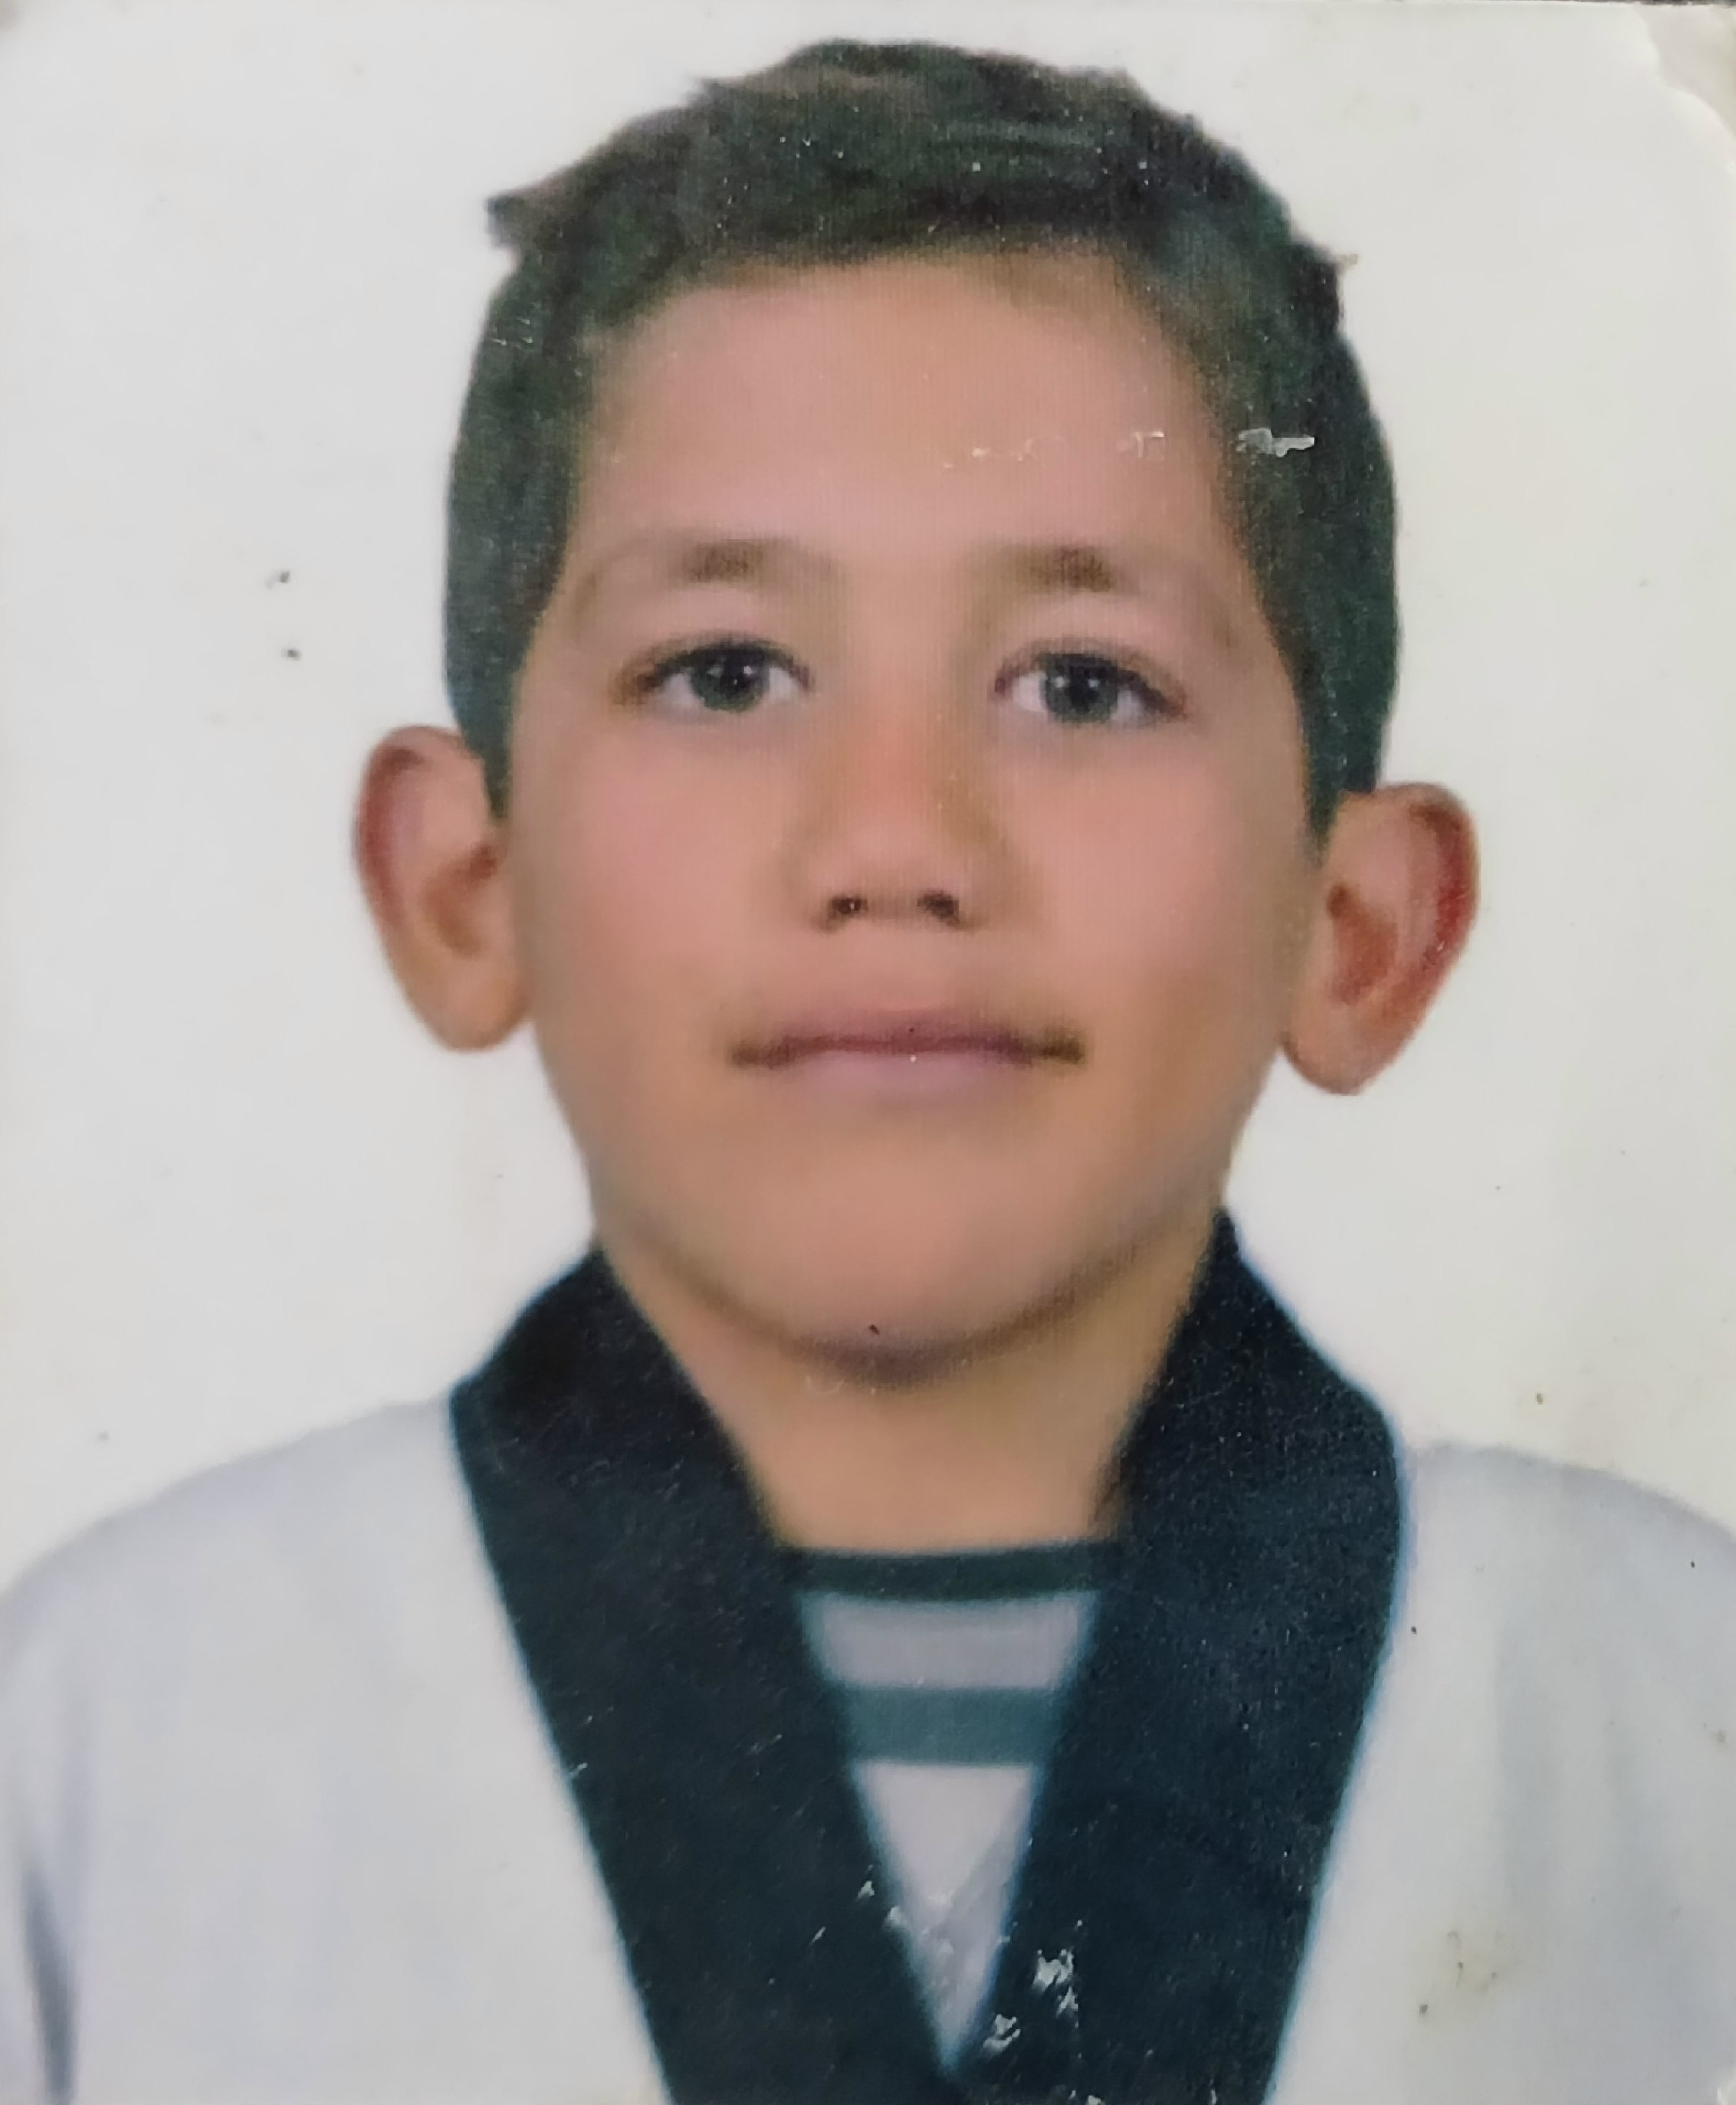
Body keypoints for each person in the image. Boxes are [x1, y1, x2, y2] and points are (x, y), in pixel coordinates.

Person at [3, 37, 1735, 2105]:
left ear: (1359, 925)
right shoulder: (109, 1728)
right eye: (725, 672)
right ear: (467, 883)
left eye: (1082, 685)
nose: (897, 841)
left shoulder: (1663, 1701)